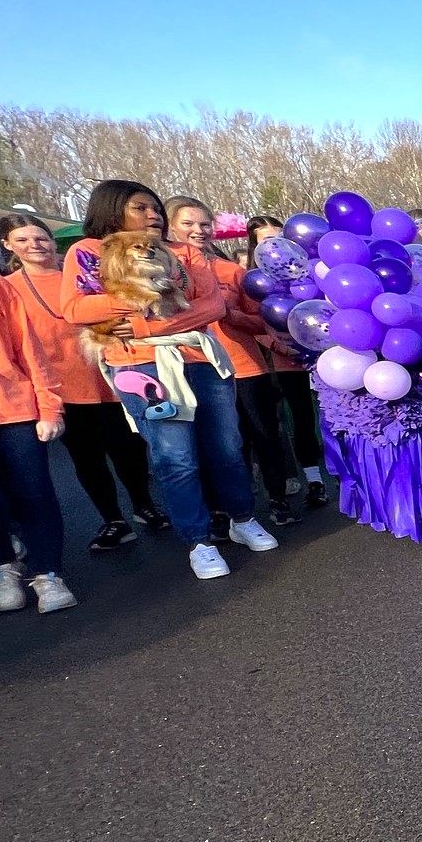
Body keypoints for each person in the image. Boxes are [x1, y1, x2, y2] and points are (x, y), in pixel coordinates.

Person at [60, 180, 278, 580]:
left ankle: (242, 518)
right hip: (142, 368)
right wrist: (138, 298)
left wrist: (142, 325)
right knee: (176, 458)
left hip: (199, 358)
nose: (153, 216)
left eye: (156, 209)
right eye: (141, 209)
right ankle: (198, 541)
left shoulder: (187, 253)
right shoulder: (91, 252)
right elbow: (76, 308)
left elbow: (210, 305)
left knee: (227, 447)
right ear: (113, 210)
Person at [0, 214, 164, 549]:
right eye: (23, 240)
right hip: (62, 385)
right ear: (8, 246)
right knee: (87, 458)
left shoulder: (79, 274)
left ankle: (145, 506)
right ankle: (113, 520)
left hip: (111, 372)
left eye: (40, 238)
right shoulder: (8, 287)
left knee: (129, 449)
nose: (34, 246)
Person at [173, 199, 299, 527]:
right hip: (196, 368)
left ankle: (277, 498)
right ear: (171, 226)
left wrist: (230, 315)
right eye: (188, 224)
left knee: (264, 436)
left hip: (244, 367)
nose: (197, 231)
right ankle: (229, 511)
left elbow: (262, 321)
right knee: (220, 446)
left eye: (203, 224)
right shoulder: (162, 270)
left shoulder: (232, 271)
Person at [0, 267, 77, 612]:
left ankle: (48, 573)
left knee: (33, 494)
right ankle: (2, 563)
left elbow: (28, 346)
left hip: (14, 410)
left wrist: (50, 406)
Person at [245, 216, 327, 509]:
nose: (277, 246)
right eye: (266, 240)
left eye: (280, 237)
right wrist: (282, 347)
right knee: (289, 422)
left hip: (319, 359)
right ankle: (295, 479)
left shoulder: (307, 270)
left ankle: (321, 480)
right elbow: (255, 324)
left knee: (316, 420)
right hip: (281, 364)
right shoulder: (255, 281)